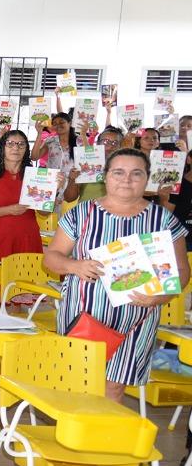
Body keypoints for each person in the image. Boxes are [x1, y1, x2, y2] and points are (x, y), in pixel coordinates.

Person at [46, 148, 190, 403]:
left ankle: (100, 440)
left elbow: (181, 272)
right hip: (85, 315)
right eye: (119, 172)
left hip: (138, 319)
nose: (127, 180)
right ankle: (76, 436)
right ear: (105, 176)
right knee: (79, 382)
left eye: (136, 173)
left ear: (147, 178)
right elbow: (52, 257)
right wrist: (75, 266)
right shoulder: (82, 214)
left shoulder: (163, 220)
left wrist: (158, 297)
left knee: (114, 387)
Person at [0, 129, 43, 259]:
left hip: (27, 239)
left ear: (26, 149)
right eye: (10, 143)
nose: (16, 148)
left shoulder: (35, 177)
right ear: (2, 147)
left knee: (25, 278)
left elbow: (44, 213)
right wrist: (9, 210)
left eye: (21, 144)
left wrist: (53, 192)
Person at [64, 127, 123, 204]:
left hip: (114, 213)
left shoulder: (126, 168)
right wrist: (72, 180)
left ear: (120, 146)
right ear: (98, 143)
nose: (110, 146)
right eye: (105, 141)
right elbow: (69, 198)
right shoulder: (86, 163)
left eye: (115, 143)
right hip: (87, 213)